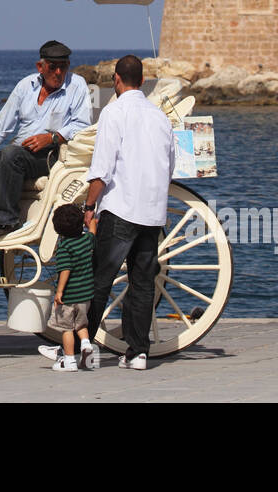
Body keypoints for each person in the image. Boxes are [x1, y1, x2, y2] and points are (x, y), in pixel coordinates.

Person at [84, 54, 175, 371]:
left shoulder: (114, 112)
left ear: (116, 81)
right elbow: (170, 164)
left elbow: (102, 168)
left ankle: (82, 347)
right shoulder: (159, 116)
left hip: (121, 208)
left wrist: (88, 205)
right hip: (152, 212)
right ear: (144, 81)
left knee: (99, 280)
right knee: (142, 284)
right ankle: (138, 352)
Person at [0, 40, 92, 236]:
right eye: (53, 67)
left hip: (52, 154)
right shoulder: (25, 86)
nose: (59, 72)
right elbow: (0, 125)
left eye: (63, 66)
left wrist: (52, 137)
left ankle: (7, 221)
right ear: (40, 67)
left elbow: (82, 124)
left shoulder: (77, 85)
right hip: (20, 152)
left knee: (11, 154)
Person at [37, 204, 99, 371]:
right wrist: (91, 221)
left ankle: (70, 359)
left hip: (70, 296)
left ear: (58, 229)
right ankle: (86, 344)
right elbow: (93, 232)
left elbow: (65, 270)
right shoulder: (87, 241)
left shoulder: (65, 247)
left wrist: (59, 292)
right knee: (81, 325)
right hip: (86, 294)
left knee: (66, 329)